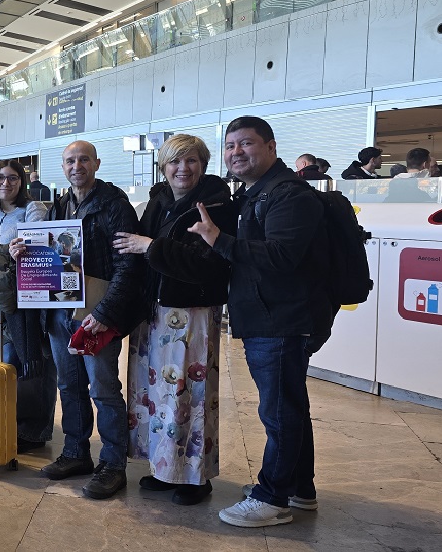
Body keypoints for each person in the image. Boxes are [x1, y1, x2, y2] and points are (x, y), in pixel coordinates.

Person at [188, 116, 336, 528]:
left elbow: (281, 257)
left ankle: (272, 497)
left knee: (279, 412)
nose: (237, 152)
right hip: (270, 316)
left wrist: (219, 240)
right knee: (289, 407)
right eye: (231, 145)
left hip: (283, 320)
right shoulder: (258, 193)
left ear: (271, 147)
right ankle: (299, 488)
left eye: (247, 144)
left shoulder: (288, 195)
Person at [11, 140, 140, 500]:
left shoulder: (115, 206)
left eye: (84, 159)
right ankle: (75, 452)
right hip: (60, 313)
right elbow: (51, 256)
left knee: (102, 389)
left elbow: (128, 266)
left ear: (96, 163)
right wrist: (23, 252)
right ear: (62, 167)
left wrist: (104, 313)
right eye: (70, 160)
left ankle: (113, 464)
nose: (77, 165)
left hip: (96, 315)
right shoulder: (59, 208)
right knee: (68, 387)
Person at [114, 134, 237, 506]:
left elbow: (206, 265)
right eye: (174, 162)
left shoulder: (216, 205)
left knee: (190, 394)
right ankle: (166, 468)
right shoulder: (159, 201)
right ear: (163, 167)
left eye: (191, 161)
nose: (182, 169)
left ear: (203, 164)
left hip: (191, 314)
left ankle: (195, 477)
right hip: (154, 313)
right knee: (158, 396)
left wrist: (150, 246)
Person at [0, 159, 56, 454]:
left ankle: (35, 430)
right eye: (0, 178)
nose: (6, 184)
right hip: (2, 303)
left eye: (13, 178)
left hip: (28, 302)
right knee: (10, 363)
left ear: (22, 182)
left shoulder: (33, 210)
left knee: (33, 364)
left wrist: (15, 255)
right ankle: (17, 422)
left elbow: (41, 248)